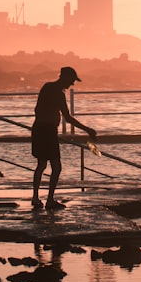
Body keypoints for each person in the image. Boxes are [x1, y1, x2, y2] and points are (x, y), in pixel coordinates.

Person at [31, 66, 97, 210]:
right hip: (47, 131)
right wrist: (88, 130)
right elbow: (68, 118)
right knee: (56, 166)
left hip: (38, 128)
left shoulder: (47, 87)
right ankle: (49, 200)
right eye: (72, 80)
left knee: (41, 164)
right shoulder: (58, 93)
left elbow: (37, 109)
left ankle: (35, 198)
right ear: (65, 77)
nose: (72, 84)